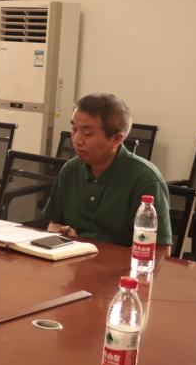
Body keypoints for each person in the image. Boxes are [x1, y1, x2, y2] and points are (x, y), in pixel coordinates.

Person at [44, 93, 172, 253]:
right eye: (74, 129)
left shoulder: (145, 180)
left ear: (116, 139)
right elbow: (54, 223)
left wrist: (89, 250)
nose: (76, 140)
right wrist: (61, 236)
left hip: (117, 268)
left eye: (87, 133)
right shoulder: (71, 169)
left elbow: (159, 251)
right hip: (73, 263)